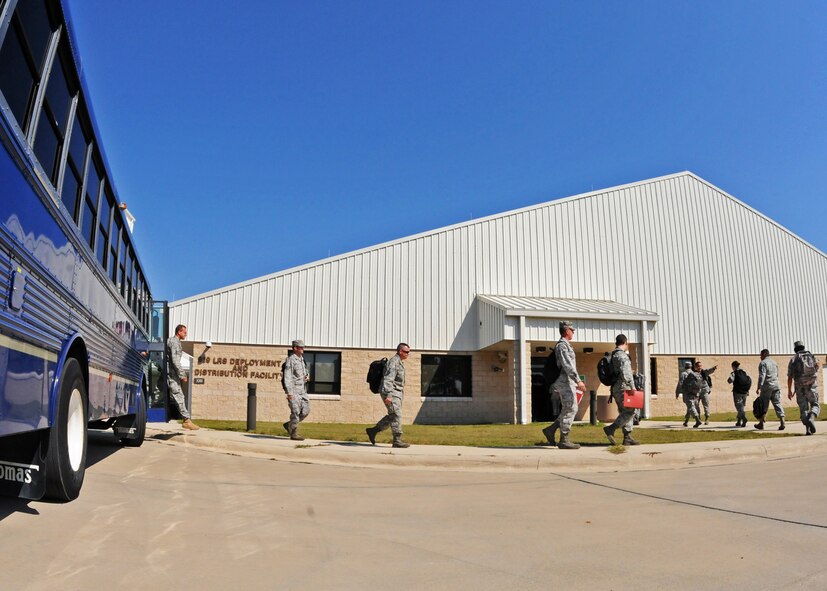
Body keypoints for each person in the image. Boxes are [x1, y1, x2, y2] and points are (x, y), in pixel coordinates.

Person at [543, 321, 585, 450]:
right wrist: (578, 380)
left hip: (567, 381)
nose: (573, 332)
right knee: (572, 408)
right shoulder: (562, 346)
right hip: (564, 381)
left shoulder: (566, 345)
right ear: (567, 331)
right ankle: (564, 439)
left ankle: (551, 429)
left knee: (568, 408)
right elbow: (567, 365)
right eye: (572, 330)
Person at [366, 343, 411, 448]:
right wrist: (389, 395)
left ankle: (373, 431)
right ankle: (397, 440)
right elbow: (388, 379)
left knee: (393, 415)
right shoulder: (393, 362)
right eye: (406, 352)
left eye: (409, 352)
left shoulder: (400, 362)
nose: (408, 354)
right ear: (400, 351)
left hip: (396, 392)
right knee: (396, 414)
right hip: (391, 392)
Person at [603, 334, 639, 446]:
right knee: (631, 411)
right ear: (625, 342)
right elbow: (626, 373)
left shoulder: (613, 354)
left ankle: (627, 437)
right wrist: (632, 386)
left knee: (624, 412)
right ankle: (611, 428)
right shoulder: (622, 356)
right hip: (625, 388)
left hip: (616, 388)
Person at [166, 324, 199, 430]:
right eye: (184, 332)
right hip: (171, 374)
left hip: (169, 372)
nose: (186, 334)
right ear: (179, 332)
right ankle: (186, 420)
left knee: (174, 395)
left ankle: (186, 419)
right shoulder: (174, 342)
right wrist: (182, 374)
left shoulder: (173, 341)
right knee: (179, 394)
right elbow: (175, 360)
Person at [787, 341, 820, 435]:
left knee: (803, 408)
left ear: (795, 349)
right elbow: (818, 366)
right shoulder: (812, 356)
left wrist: (790, 390)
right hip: (812, 386)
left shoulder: (793, 359)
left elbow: (790, 377)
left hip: (799, 387)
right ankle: (812, 417)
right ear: (803, 347)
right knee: (815, 404)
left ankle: (808, 430)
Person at [282, 340, 310, 441]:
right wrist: (289, 393)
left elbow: (304, 372)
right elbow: (287, 377)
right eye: (300, 347)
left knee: (306, 411)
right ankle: (294, 433)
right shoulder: (291, 360)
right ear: (295, 348)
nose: (302, 349)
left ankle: (290, 425)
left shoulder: (302, 359)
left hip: (302, 390)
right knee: (295, 412)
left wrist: (306, 377)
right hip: (293, 391)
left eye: (303, 347)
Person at [755, 349, 785, 431]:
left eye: (761, 355)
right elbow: (777, 374)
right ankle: (782, 422)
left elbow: (762, 376)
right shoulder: (774, 362)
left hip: (766, 387)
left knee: (763, 405)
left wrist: (759, 387)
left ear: (764, 354)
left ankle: (761, 423)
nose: (760, 356)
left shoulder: (763, 363)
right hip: (776, 385)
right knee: (777, 403)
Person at [675, 361, 701, 428]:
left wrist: (677, 392)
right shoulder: (694, 373)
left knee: (690, 406)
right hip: (695, 393)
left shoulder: (683, 374)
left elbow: (680, 383)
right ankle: (686, 421)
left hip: (687, 393)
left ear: (685, 366)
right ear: (691, 366)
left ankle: (697, 420)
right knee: (690, 406)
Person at [727, 361, 751, 427]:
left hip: (737, 392)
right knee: (741, 407)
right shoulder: (744, 372)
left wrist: (729, 379)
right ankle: (738, 422)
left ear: (733, 366)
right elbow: (749, 379)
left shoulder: (734, 373)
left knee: (739, 407)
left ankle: (744, 418)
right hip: (745, 392)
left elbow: (730, 380)